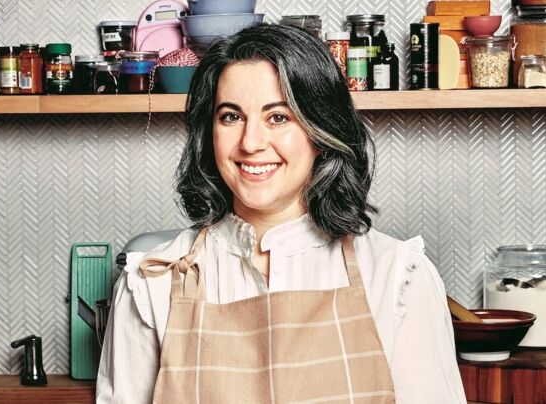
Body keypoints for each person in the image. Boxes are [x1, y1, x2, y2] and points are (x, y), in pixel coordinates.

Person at [97, 23, 466, 403]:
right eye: (231, 116)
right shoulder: (151, 283)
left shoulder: (397, 276)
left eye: (278, 117)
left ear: (321, 131)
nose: (251, 143)